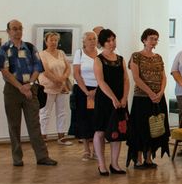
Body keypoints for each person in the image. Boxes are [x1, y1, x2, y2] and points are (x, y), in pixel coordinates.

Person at [0, 19, 57, 167]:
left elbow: (37, 67)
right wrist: (20, 87)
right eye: (14, 28)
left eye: (20, 28)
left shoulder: (30, 47)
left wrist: (29, 84)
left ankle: (42, 156)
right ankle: (17, 158)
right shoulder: (4, 49)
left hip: (30, 89)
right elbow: (5, 71)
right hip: (12, 90)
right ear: (8, 31)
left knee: (34, 124)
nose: (18, 31)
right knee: (14, 125)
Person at [127, 28, 169, 169]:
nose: (153, 41)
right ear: (144, 40)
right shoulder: (136, 56)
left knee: (155, 128)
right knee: (140, 128)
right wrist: (150, 93)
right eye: (151, 38)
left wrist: (161, 92)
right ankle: (138, 159)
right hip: (142, 98)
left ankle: (149, 158)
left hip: (157, 98)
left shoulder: (158, 57)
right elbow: (136, 78)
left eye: (156, 39)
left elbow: (163, 77)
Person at [92, 28, 129, 176]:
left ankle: (114, 163)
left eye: (113, 40)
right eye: (108, 41)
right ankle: (101, 164)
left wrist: (124, 97)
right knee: (100, 131)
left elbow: (126, 79)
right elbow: (101, 81)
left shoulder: (120, 59)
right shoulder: (98, 59)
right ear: (102, 43)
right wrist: (113, 98)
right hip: (105, 99)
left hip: (120, 99)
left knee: (117, 131)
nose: (112, 43)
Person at [38, 31, 72, 143]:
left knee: (62, 112)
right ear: (46, 41)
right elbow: (46, 71)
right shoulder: (42, 54)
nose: (54, 42)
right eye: (51, 40)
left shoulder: (61, 53)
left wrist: (62, 80)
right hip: (48, 87)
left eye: (56, 40)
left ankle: (61, 137)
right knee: (45, 113)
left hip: (62, 87)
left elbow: (68, 68)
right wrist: (59, 81)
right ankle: (43, 137)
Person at [71, 30, 100, 162]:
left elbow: (104, 74)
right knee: (83, 119)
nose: (92, 41)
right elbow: (76, 73)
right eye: (89, 39)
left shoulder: (100, 54)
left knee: (96, 119)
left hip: (99, 89)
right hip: (82, 90)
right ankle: (86, 150)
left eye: (94, 38)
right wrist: (87, 92)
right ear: (84, 41)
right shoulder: (79, 53)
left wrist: (96, 90)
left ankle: (96, 149)